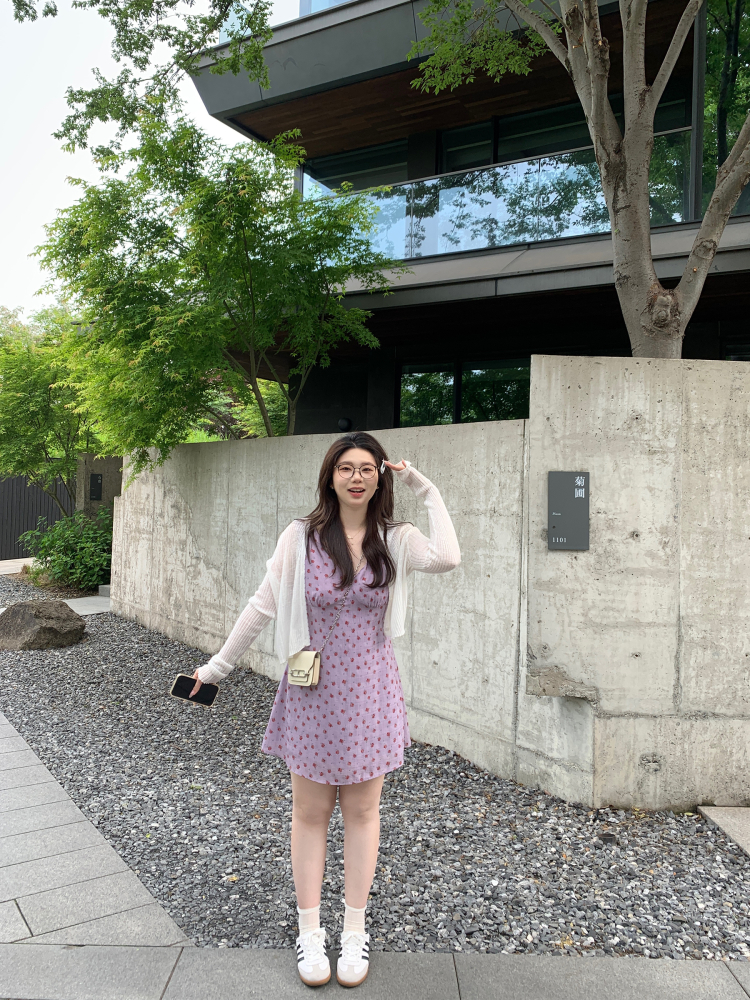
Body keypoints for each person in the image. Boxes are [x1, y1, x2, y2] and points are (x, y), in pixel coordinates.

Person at [190, 432, 460, 988]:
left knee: (363, 815)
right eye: (345, 467)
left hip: (372, 694)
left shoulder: (396, 538)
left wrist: (424, 487)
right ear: (330, 476)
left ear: (379, 477)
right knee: (310, 815)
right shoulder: (302, 537)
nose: (356, 476)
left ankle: (354, 932)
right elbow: (262, 606)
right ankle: (310, 932)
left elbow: (450, 557)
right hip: (311, 692)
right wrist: (214, 669)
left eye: (366, 468)